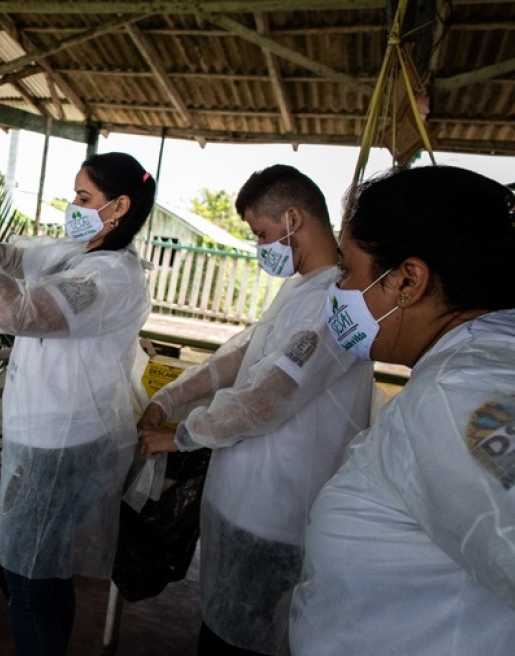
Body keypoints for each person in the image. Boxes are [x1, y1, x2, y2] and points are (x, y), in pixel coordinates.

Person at [0, 152, 154, 656]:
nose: (73, 206)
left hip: (65, 444)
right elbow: (7, 258)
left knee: (27, 578)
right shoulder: (74, 252)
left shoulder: (108, 277)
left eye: (84, 197)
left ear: (119, 206)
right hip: (39, 436)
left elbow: (17, 310)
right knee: (39, 570)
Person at [289, 166, 515, 654]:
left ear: (408, 280)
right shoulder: (491, 361)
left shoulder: (458, 397)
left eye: (347, 270)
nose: (338, 289)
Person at [138, 165, 373, 656]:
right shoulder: (302, 287)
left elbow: (268, 398)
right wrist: (170, 397)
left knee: (246, 640)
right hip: (244, 495)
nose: (260, 246)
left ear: (293, 219)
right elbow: (242, 355)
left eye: (262, 234)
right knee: (220, 629)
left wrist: (182, 435)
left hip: (277, 509)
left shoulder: (337, 304)